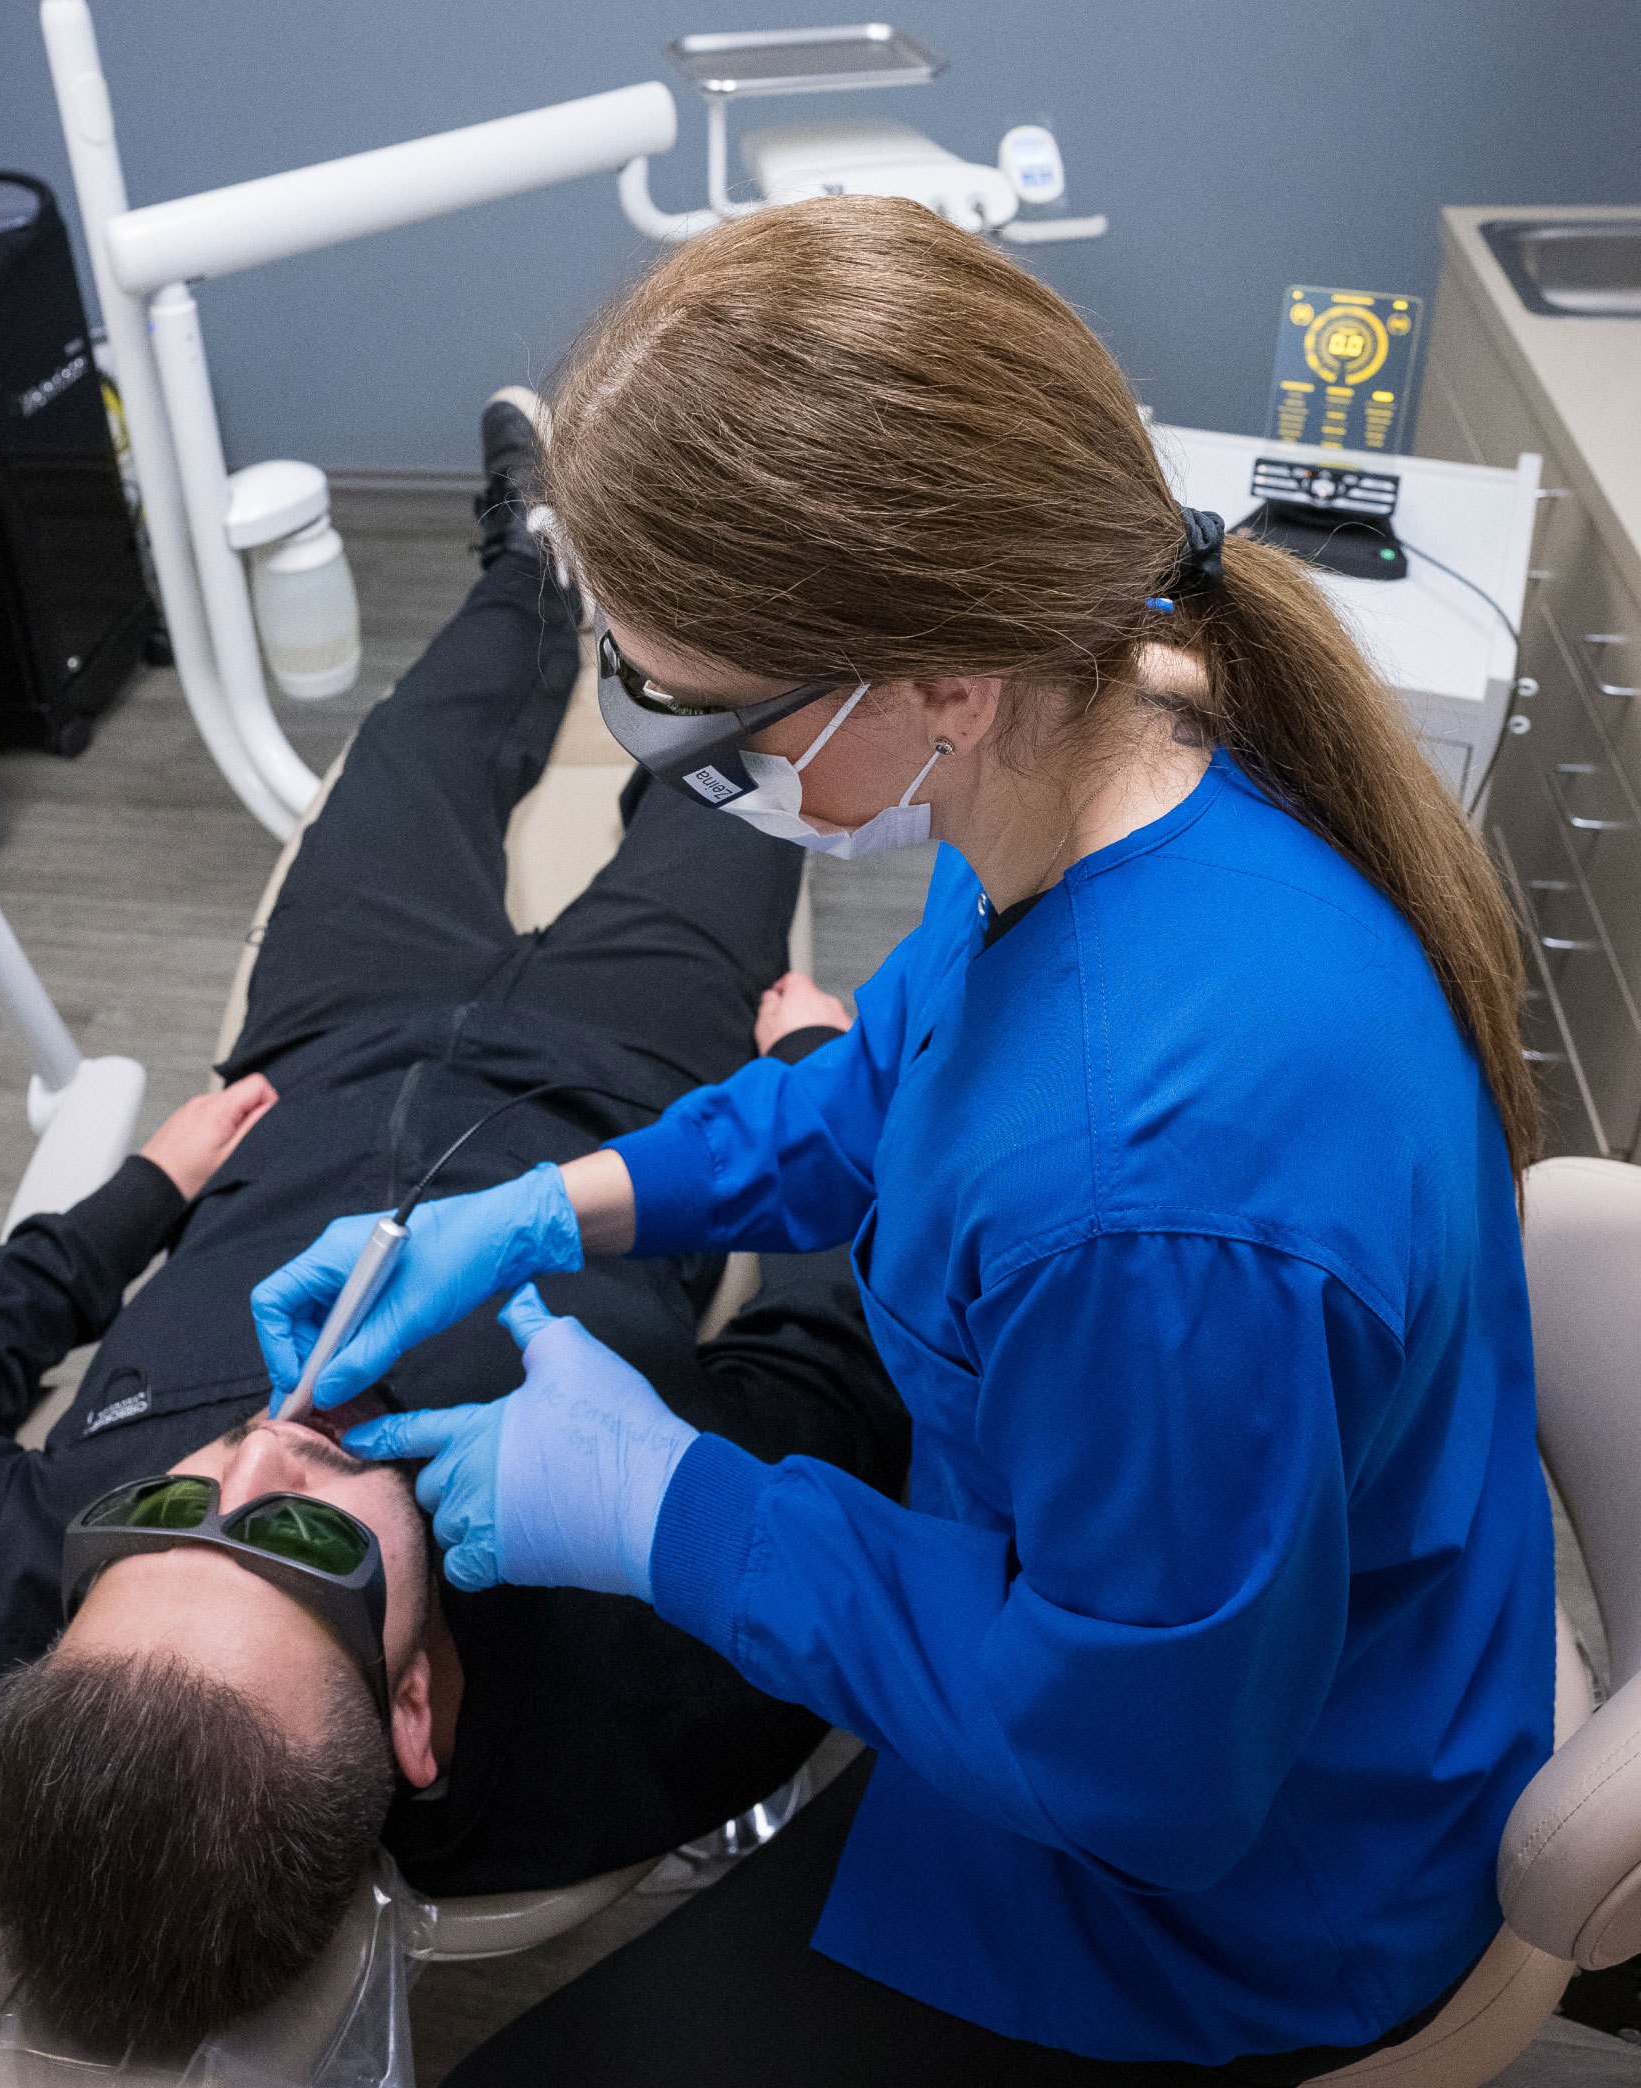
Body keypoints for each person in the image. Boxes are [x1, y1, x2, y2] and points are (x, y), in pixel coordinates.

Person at [256, 199, 1556, 2086]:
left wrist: (678, 1516)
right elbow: (890, 1090)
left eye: (707, 730)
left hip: (1244, 1886)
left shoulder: (1156, 1203)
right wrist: (548, 1208)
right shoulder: (1101, 746)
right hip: (1172, 1635)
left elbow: (1150, 1775)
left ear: (940, 682)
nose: (679, 769)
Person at [0, 393, 908, 2062]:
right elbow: (836, 1379)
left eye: (159, 1511)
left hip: (326, 1042)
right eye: (301, 1545)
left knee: (420, 741)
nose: (254, 1454)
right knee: (739, 759)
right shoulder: (655, 1679)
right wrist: (819, 1111)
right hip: (641, 1092)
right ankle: (734, 589)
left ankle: (535, 560)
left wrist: (132, 1205)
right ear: (416, 1708)